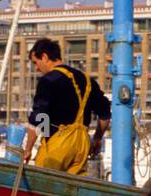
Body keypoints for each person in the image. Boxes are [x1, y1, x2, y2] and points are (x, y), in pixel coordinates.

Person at [22, 38, 111, 174]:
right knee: (72, 190)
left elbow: (39, 118)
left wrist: (28, 149)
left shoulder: (49, 80)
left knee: (46, 185)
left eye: (36, 62)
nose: (36, 68)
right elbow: (104, 112)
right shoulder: (87, 81)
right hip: (82, 145)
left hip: (58, 144)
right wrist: (98, 138)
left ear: (45, 57)